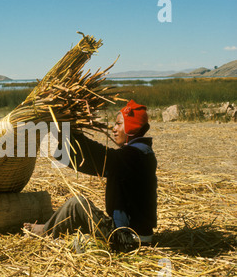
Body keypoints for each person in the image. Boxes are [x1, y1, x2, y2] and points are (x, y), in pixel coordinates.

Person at [24, 100, 158, 252]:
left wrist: (72, 135)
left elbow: (102, 157)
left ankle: (45, 230)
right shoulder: (140, 153)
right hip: (137, 236)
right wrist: (66, 139)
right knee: (80, 209)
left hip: (127, 240)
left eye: (119, 124)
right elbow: (98, 163)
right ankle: (51, 226)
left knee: (77, 205)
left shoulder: (135, 155)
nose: (113, 129)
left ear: (132, 128)